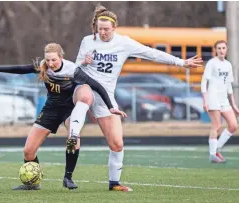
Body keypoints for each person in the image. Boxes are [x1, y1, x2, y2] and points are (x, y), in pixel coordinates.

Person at [66, 4, 203, 192]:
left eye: (106, 29)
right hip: (85, 87)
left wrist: (181, 62)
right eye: (100, 29)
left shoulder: (124, 43)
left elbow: (152, 54)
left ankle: (114, 183)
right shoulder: (88, 41)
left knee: (117, 143)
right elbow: (75, 69)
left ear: (114, 28)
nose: (103, 33)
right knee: (85, 96)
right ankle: (74, 133)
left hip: (106, 96)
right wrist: (83, 61)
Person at [0, 43, 126, 190]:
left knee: (73, 139)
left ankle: (68, 177)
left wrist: (111, 107)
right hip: (51, 109)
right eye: (48, 60)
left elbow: (97, 86)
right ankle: (33, 183)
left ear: (61, 57)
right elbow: (21, 69)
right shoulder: (43, 66)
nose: (50, 64)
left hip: (70, 109)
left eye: (54, 60)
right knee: (28, 151)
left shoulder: (72, 70)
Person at [201, 40, 239, 163]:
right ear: (215, 50)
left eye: (223, 48)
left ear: (226, 49)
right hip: (213, 97)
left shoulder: (228, 65)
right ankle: (213, 155)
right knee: (216, 126)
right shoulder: (212, 63)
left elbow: (229, 86)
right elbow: (204, 82)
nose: (221, 50)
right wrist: (205, 101)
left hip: (224, 100)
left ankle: (216, 149)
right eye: (219, 48)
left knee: (233, 125)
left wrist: (234, 105)